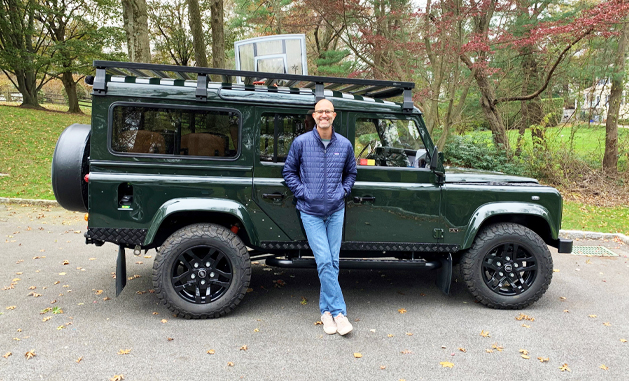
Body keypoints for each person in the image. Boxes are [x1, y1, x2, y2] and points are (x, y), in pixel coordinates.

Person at [283, 99, 357, 336]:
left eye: (327, 111)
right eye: (319, 112)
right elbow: (289, 171)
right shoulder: (301, 143)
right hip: (310, 212)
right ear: (314, 116)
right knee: (324, 260)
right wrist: (304, 192)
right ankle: (339, 313)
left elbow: (351, 173)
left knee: (333, 262)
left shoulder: (344, 145)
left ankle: (325, 313)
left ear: (333, 116)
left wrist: (342, 191)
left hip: (335, 210)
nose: (324, 115)